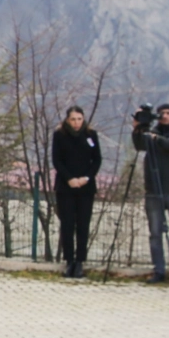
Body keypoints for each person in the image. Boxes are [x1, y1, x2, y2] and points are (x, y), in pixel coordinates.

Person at [132, 103, 169, 285]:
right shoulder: (151, 133)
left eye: (168, 113)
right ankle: (159, 270)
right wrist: (138, 129)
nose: (164, 116)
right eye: (161, 113)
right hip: (154, 191)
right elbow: (140, 146)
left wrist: (158, 139)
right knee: (155, 233)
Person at [52, 106, 102, 277]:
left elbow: (97, 160)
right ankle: (69, 261)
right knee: (67, 225)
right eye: (73, 119)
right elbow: (56, 160)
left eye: (79, 119)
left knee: (83, 225)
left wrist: (86, 178)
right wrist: (69, 179)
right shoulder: (59, 135)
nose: (76, 123)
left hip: (86, 187)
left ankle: (80, 261)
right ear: (67, 120)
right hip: (66, 187)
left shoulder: (90, 135)